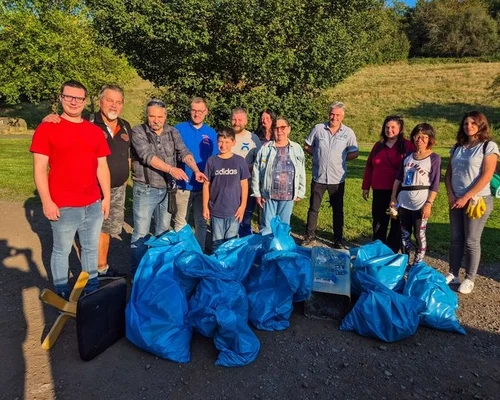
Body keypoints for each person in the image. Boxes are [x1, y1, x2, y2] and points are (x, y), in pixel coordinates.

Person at [30, 80, 111, 299]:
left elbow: (102, 166)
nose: (74, 102)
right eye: (69, 97)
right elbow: (39, 169)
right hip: (63, 205)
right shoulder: (47, 128)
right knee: (62, 250)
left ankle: (90, 289)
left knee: (90, 248)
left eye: (79, 98)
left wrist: (106, 197)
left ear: (85, 101)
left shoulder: (94, 132)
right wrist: (47, 201)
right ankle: (62, 292)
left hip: (93, 203)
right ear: (61, 98)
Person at [41, 84, 131, 280]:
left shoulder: (119, 126)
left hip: (106, 194)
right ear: (99, 102)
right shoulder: (80, 123)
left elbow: (115, 160)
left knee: (102, 236)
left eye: (118, 102)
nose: (113, 105)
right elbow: (41, 167)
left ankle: (97, 276)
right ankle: (70, 286)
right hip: (77, 196)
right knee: (74, 243)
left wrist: (116, 187)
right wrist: (47, 201)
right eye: (109, 100)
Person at [130, 99, 207, 276]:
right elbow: (147, 156)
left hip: (167, 189)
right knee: (141, 233)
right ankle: (138, 274)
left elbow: (184, 152)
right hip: (146, 189)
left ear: (165, 116)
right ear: (146, 115)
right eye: (152, 116)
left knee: (163, 231)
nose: (156, 120)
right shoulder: (138, 131)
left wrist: (195, 170)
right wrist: (172, 169)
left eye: (159, 116)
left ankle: (158, 271)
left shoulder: (172, 132)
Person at [444, 111, 499, 294]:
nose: (469, 126)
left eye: (473, 123)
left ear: (481, 125)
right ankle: (453, 273)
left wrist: (466, 197)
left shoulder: (488, 147)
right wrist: (451, 194)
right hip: (456, 199)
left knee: (471, 240)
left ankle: (470, 278)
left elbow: (487, 175)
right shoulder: (458, 146)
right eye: (466, 123)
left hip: (477, 200)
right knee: (455, 239)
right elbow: (449, 173)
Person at [303, 102, 359, 249]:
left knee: (337, 210)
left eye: (337, 115)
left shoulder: (348, 133)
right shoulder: (318, 128)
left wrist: (340, 158)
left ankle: (338, 239)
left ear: (342, 116)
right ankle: (309, 235)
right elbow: (307, 145)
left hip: (337, 178)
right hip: (319, 176)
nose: (334, 117)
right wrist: (317, 155)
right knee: (313, 208)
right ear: (329, 114)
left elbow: (355, 152)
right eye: (332, 114)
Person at [390, 123, 441, 268]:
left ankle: (418, 263)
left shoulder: (434, 158)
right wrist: (393, 197)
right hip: (404, 199)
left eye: (424, 137)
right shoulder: (407, 156)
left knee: (419, 234)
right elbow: (398, 178)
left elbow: (435, 184)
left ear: (430, 139)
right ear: (413, 138)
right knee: (405, 233)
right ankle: (405, 260)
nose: (420, 140)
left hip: (421, 200)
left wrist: (429, 203)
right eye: (417, 136)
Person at [362, 116, 415, 253]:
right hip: (379, 189)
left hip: (399, 191)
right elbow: (369, 166)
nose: (389, 130)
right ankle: (377, 248)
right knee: (379, 221)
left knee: (397, 221)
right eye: (387, 127)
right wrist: (366, 186)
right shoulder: (378, 145)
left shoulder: (408, 146)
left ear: (400, 129)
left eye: (393, 128)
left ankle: (391, 250)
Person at [173, 97, 218, 252]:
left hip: (203, 187)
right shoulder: (179, 128)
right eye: (194, 110)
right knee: (181, 220)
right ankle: (180, 251)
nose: (196, 114)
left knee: (201, 221)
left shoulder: (211, 133)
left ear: (206, 112)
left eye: (200, 111)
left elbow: (215, 160)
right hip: (183, 184)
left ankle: (198, 252)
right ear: (190, 110)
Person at [252, 117, 306, 233]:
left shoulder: (296, 148)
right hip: (268, 195)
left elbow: (301, 171)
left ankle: (281, 250)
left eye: (283, 128)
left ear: (289, 129)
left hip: (288, 195)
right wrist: (257, 193)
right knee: (267, 228)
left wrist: (301, 192)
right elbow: (256, 171)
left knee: (283, 228)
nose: (279, 131)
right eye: (276, 128)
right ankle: (267, 250)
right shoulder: (265, 148)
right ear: (273, 130)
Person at [203, 128, 250, 251]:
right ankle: (217, 267)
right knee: (216, 243)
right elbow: (206, 184)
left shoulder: (240, 161)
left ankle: (229, 268)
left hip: (234, 211)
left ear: (233, 143)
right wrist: (205, 206)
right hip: (216, 210)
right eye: (220, 142)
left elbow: (244, 185)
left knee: (231, 243)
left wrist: (243, 206)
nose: (223, 145)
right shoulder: (212, 161)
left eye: (227, 142)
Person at [231, 107, 262, 236]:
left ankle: (245, 247)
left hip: (246, 186)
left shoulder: (253, 138)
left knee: (245, 218)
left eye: (240, 120)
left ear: (246, 122)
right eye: (234, 119)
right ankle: (228, 245)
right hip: (228, 187)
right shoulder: (224, 136)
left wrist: (245, 168)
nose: (236, 123)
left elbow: (260, 161)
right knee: (230, 218)